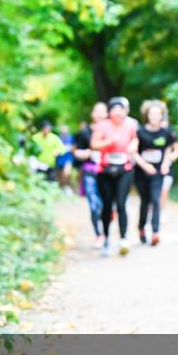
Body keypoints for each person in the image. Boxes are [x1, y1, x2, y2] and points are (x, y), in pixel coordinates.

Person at [90, 97, 138, 257]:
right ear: (109, 112)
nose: (118, 112)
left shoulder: (131, 124)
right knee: (107, 205)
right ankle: (106, 239)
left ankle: (124, 239)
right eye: (114, 110)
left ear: (125, 111)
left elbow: (135, 140)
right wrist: (109, 142)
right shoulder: (102, 125)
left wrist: (133, 145)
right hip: (105, 170)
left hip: (125, 169)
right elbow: (94, 144)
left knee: (122, 203)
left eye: (121, 109)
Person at [134, 100, 178, 246]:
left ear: (161, 116)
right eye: (151, 114)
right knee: (145, 201)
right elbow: (133, 152)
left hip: (158, 172)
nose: (154, 117)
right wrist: (145, 165)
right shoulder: (139, 131)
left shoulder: (166, 132)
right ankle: (141, 228)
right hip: (141, 172)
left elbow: (168, 149)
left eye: (157, 114)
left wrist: (166, 163)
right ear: (147, 115)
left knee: (156, 200)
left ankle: (155, 232)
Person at [74, 103, 108, 249]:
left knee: (106, 203)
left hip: (107, 171)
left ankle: (106, 231)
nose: (99, 114)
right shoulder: (84, 132)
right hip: (89, 171)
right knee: (94, 204)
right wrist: (88, 153)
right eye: (96, 111)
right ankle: (99, 235)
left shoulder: (111, 131)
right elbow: (76, 153)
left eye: (102, 111)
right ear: (92, 114)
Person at [158, 118, 178, 211]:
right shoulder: (151, 133)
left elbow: (177, 150)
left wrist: (169, 159)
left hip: (167, 168)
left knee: (164, 190)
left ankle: (160, 212)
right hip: (153, 167)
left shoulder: (171, 135)